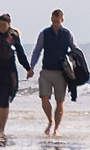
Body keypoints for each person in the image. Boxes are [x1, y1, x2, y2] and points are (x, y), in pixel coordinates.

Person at [28, 9, 77, 137]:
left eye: (58, 21)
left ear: (62, 20)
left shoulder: (67, 34)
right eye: (54, 21)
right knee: (44, 97)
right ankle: (50, 121)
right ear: (51, 19)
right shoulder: (44, 34)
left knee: (59, 101)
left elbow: (75, 51)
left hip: (61, 72)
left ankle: (56, 128)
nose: (55, 24)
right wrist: (31, 67)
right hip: (46, 71)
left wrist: (75, 65)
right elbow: (37, 51)